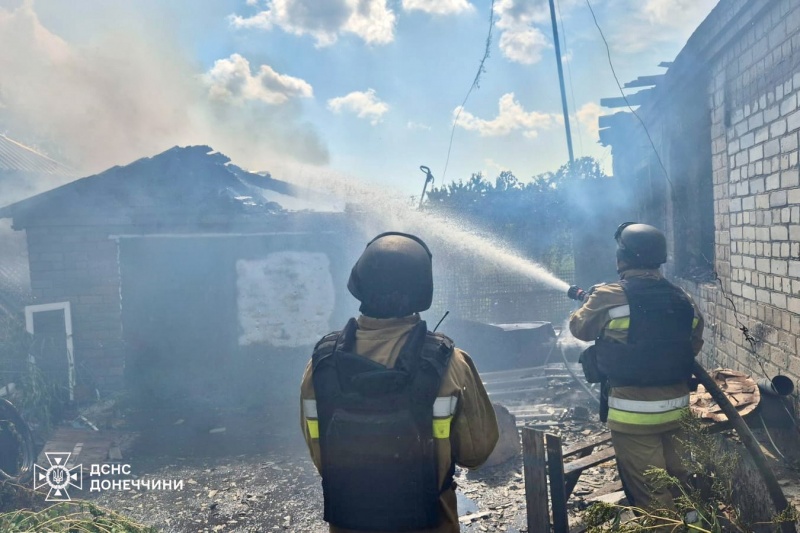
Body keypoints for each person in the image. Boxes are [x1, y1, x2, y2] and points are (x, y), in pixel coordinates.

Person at [300, 231, 499, 533]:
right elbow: (477, 453)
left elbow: (320, 455)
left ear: (358, 284)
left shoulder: (321, 365)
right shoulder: (451, 363)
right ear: (422, 291)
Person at [568, 222, 704, 516]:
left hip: (634, 417)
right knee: (681, 487)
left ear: (622, 258)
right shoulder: (684, 299)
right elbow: (691, 345)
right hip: (678, 411)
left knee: (653, 498)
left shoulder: (607, 295)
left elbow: (579, 328)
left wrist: (591, 299)